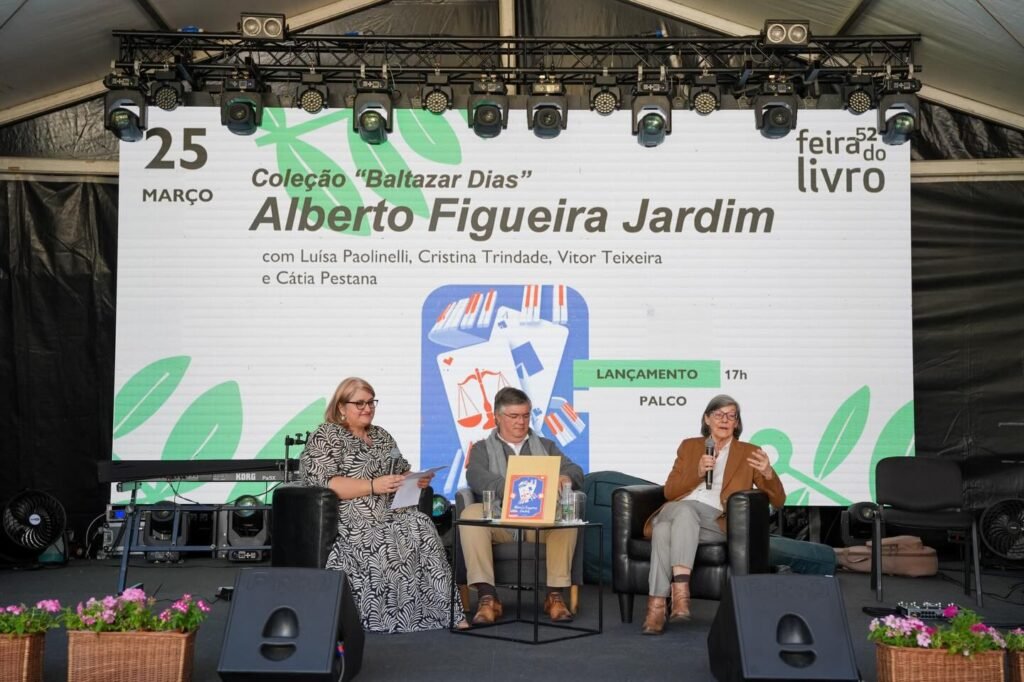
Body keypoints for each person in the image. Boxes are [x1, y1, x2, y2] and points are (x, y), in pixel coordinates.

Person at [301, 377, 467, 633]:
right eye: (360, 403)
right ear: (341, 406)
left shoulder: (381, 435)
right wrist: (372, 486)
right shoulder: (327, 435)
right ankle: (390, 619)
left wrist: (417, 478)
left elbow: (400, 472)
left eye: (371, 402)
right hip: (354, 517)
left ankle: (447, 614)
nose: (367, 408)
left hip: (393, 511)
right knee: (385, 539)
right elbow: (325, 483)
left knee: (422, 526)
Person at [641, 394, 785, 635]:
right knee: (681, 511)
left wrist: (769, 474)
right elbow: (670, 491)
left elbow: (779, 501)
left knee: (664, 530)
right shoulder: (689, 446)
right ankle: (680, 597)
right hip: (678, 509)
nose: (725, 420)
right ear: (707, 419)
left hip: (714, 520)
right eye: (719, 414)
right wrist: (698, 472)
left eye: (731, 415)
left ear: (737, 423)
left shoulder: (749, 452)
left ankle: (656, 608)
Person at [459, 386, 584, 625]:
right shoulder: (482, 449)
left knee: (567, 517)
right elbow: (475, 476)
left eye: (526, 416)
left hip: (538, 522)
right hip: (500, 520)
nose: (521, 422)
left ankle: (554, 595)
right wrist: (514, 487)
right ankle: (488, 597)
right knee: (470, 514)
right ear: (497, 416)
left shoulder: (546, 446)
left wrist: (566, 478)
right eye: (514, 416)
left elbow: (575, 470)